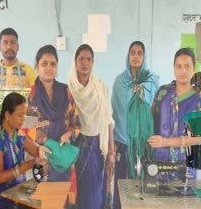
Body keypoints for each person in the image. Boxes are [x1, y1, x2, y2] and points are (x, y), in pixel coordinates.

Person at [148, 48, 201, 182]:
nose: (183, 71)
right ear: (174, 68)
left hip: (187, 163)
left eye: (187, 66)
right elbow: (150, 122)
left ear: (194, 68)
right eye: (179, 66)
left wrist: (165, 142)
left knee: (186, 201)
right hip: (160, 160)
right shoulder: (163, 92)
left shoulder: (199, 99)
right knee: (158, 199)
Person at [111, 41, 159, 209]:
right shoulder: (119, 81)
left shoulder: (152, 81)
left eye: (140, 53)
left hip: (144, 142)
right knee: (121, 183)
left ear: (144, 56)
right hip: (123, 141)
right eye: (133, 52)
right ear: (128, 55)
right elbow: (115, 112)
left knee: (143, 184)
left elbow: (155, 109)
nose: (136, 56)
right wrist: (113, 141)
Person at [67, 44, 115, 209]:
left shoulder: (101, 87)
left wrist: (111, 151)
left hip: (96, 148)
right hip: (75, 147)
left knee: (95, 193)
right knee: (76, 194)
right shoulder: (69, 89)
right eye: (81, 59)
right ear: (75, 61)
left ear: (93, 62)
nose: (85, 63)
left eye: (89, 59)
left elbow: (108, 120)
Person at [0, 92, 51, 208]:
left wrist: (42, 151)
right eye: (20, 115)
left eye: (24, 115)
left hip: (18, 191)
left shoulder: (17, 134)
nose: (23, 119)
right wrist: (31, 164)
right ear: (7, 115)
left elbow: (35, 149)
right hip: (2, 196)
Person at [27, 45, 80, 182]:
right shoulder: (29, 95)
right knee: (38, 197)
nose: (49, 68)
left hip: (61, 156)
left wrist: (69, 134)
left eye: (53, 64)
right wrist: (42, 141)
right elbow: (22, 129)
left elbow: (76, 124)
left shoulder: (66, 93)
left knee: (60, 198)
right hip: (38, 156)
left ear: (57, 68)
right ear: (37, 66)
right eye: (44, 64)